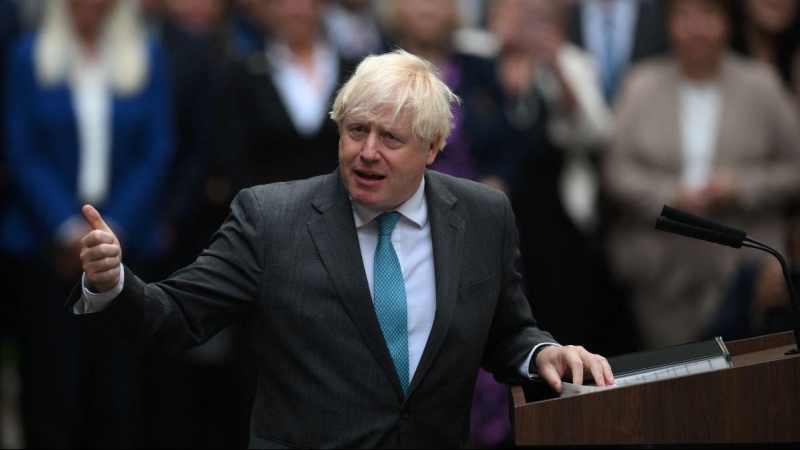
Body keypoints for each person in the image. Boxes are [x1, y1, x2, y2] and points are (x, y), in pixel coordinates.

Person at [70, 49, 614, 448]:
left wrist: (542, 353)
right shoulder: (271, 218)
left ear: (434, 148)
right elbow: (175, 317)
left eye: (391, 139)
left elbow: (505, 329)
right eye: (356, 130)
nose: (367, 153)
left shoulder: (482, 215)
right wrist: (111, 283)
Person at [2, 0, 173, 446]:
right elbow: (21, 148)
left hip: (125, 249)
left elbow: (156, 149)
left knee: (117, 393)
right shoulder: (28, 54)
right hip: (44, 251)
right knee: (49, 391)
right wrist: (66, 231)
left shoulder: (147, 53)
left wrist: (110, 232)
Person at [604, 0, 800, 349]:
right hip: (660, 279)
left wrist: (740, 186)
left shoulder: (762, 86)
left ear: (728, 23)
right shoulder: (640, 85)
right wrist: (671, 193)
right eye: (684, 16)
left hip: (744, 275)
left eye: (708, 15)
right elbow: (615, 172)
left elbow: (794, 167)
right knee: (672, 391)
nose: (696, 27)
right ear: (668, 24)